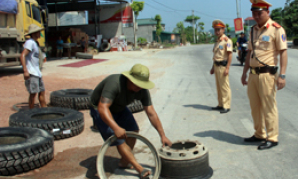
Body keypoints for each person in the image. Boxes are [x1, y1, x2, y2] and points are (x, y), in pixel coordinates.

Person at [89, 64, 172, 179]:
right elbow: (103, 108)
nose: (140, 87)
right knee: (119, 138)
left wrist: (162, 135)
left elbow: (151, 112)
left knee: (133, 131)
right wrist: (115, 127)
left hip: (119, 107)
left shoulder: (142, 90)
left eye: (142, 85)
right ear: (129, 79)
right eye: (137, 84)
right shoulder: (115, 83)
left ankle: (124, 162)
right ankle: (139, 168)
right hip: (100, 108)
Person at [241, 0, 288, 150]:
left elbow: (283, 53)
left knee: (269, 107)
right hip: (253, 75)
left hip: (267, 74)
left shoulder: (276, 29)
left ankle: (272, 138)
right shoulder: (253, 30)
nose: (256, 16)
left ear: (268, 12)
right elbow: (250, 53)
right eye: (254, 13)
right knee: (255, 106)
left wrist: (282, 75)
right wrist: (244, 73)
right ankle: (259, 134)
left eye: (259, 13)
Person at [20, 24, 47, 109]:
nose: (40, 33)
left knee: (42, 92)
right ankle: (31, 113)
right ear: (34, 33)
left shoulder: (35, 43)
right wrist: (25, 71)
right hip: (32, 72)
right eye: (38, 32)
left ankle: (45, 110)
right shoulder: (30, 42)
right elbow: (23, 55)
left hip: (37, 72)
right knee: (33, 94)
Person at [210, 20, 233, 114]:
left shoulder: (227, 41)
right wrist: (212, 67)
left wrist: (227, 68)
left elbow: (230, 55)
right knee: (219, 87)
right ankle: (220, 104)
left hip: (223, 66)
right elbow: (216, 55)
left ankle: (226, 106)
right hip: (216, 66)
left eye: (219, 29)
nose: (217, 31)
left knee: (224, 87)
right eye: (215, 29)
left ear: (223, 29)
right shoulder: (217, 42)